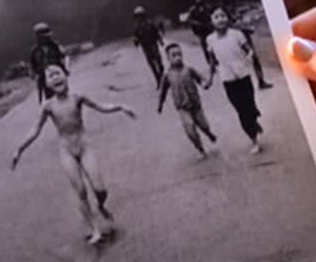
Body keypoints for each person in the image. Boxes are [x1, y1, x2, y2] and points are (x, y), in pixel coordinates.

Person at [11, 63, 137, 245]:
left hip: (84, 146)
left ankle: (101, 206)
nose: (55, 78)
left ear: (66, 75)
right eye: (51, 76)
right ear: (47, 85)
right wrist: (19, 150)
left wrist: (121, 107)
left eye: (58, 73)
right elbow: (35, 130)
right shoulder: (48, 106)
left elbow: (101, 106)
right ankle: (93, 229)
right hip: (66, 151)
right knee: (80, 191)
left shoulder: (77, 97)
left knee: (100, 189)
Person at [206, 6, 264, 154]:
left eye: (223, 15)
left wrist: (249, 58)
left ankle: (253, 122)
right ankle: (254, 138)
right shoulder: (210, 40)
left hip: (243, 75)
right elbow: (212, 61)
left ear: (227, 18)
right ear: (212, 21)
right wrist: (210, 78)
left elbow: (249, 49)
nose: (220, 19)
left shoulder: (236, 34)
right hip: (228, 80)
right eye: (216, 16)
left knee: (249, 105)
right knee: (241, 110)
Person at [158, 43, 218, 160]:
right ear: (168, 58)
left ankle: (208, 133)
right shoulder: (167, 75)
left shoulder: (189, 69)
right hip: (182, 107)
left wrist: (206, 83)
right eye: (174, 55)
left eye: (180, 54)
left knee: (203, 125)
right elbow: (162, 91)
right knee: (190, 129)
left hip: (195, 104)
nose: (178, 57)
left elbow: (201, 80)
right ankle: (200, 149)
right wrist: (160, 104)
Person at [220, 0, 273, 90]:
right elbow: (231, 27)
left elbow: (240, 21)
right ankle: (242, 85)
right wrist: (246, 28)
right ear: (227, 0)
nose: (234, 0)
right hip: (235, 40)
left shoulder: (234, 9)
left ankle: (261, 81)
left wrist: (246, 26)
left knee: (254, 58)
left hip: (245, 38)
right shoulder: (224, 14)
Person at [30, 22, 69, 104]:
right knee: (52, 103)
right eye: (44, 37)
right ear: (39, 37)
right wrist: (35, 75)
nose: (48, 38)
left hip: (59, 77)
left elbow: (65, 56)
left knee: (65, 100)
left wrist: (66, 68)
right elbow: (33, 67)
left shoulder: (56, 46)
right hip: (46, 82)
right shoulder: (34, 51)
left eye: (48, 36)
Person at [132, 6, 166, 89]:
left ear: (144, 15)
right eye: (138, 16)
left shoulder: (150, 24)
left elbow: (156, 33)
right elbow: (136, 39)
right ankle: (158, 80)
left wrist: (160, 41)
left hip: (153, 44)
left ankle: (162, 77)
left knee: (160, 63)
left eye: (141, 15)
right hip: (146, 47)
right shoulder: (136, 28)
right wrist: (135, 41)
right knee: (152, 65)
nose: (140, 18)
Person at [184, 0, 214, 67]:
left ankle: (217, 59)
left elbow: (212, 14)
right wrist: (196, 24)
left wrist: (211, 21)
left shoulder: (207, 6)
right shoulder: (192, 10)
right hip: (202, 31)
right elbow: (189, 20)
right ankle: (210, 62)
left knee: (214, 44)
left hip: (210, 28)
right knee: (206, 47)